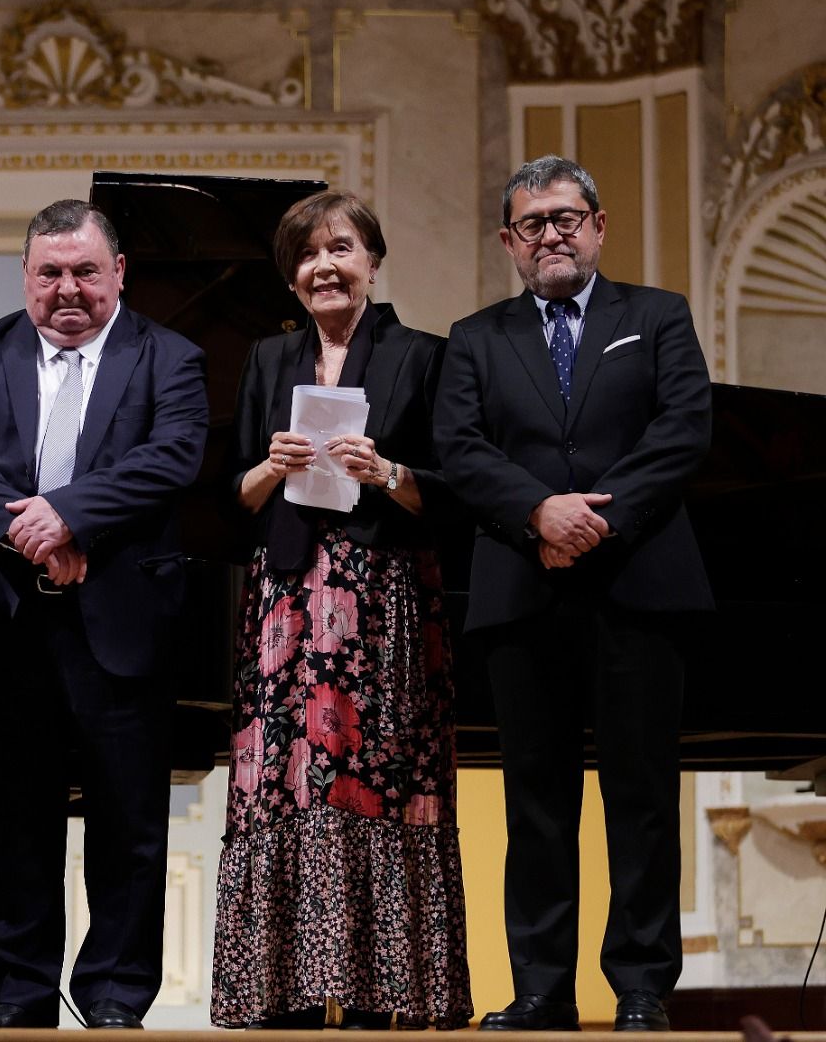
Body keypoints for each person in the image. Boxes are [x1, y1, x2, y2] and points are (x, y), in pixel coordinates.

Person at [434, 156, 712, 1033]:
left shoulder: (658, 317)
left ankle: (640, 987)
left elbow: (683, 429)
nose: (550, 235)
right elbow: (461, 447)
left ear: (597, 226)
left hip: (638, 583)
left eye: (566, 218)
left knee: (640, 795)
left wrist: (596, 521)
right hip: (524, 587)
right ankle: (542, 988)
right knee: (537, 801)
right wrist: (537, 513)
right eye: (531, 224)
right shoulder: (476, 336)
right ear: (510, 243)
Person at [0, 199, 208, 1030]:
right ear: (26, 278)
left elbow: (175, 456)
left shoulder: (172, 357)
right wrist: (32, 534)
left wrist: (71, 516)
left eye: (86, 270)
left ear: (118, 272)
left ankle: (116, 997)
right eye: (49, 272)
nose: (68, 289)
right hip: (10, 617)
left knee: (129, 824)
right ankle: (20, 997)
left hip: (123, 622)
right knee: (19, 819)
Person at [209, 191, 472, 1030]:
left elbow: (456, 496)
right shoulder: (266, 359)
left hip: (383, 600)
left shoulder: (423, 356)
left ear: (372, 260)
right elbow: (234, 497)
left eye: (342, 247)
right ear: (292, 279)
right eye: (308, 254)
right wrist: (269, 467)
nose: (325, 265)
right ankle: (277, 991)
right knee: (285, 788)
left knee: (376, 782)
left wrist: (387, 471)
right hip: (286, 603)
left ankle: (383, 992)